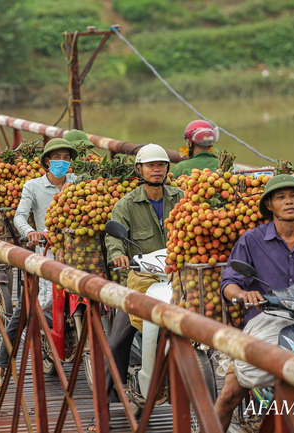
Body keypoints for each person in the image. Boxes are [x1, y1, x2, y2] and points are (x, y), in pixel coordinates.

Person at [214, 174, 294, 431]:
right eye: (281, 197)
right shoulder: (252, 240)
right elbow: (229, 283)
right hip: (269, 320)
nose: (289, 201)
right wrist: (242, 294)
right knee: (229, 394)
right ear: (269, 205)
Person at [91, 144, 183, 430]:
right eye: (151, 165)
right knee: (119, 338)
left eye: (162, 165)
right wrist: (118, 253)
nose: (157, 169)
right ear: (139, 170)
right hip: (141, 281)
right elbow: (114, 237)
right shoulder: (127, 204)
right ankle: (103, 408)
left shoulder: (181, 197)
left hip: (178, 278)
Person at [0, 137, 78, 388]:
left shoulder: (79, 184)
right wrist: (30, 231)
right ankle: (0, 365)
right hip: (47, 250)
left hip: (77, 250)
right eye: (57, 158)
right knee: (30, 307)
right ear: (47, 162)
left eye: (66, 157)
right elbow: (20, 215)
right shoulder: (33, 186)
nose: (62, 162)